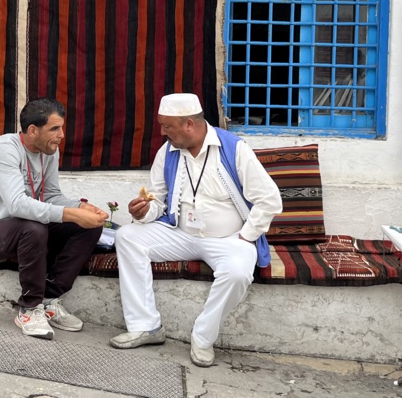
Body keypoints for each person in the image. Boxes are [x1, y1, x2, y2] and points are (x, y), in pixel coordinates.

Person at [109, 93, 282, 367]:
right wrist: (144, 212)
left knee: (237, 273)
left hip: (229, 239)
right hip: (180, 232)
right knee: (127, 237)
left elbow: (270, 199)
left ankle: (203, 338)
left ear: (189, 124)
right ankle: (146, 326)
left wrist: (246, 236)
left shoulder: (233, 148)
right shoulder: (166, 151)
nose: (163, 133)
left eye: (167, 126)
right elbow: (157, 200)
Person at [0, 97, 108, 340]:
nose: (61, 135)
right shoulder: (6, 149)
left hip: (29, 228)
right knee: (34, 228)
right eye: (54, 128)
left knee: (87, 227)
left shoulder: (49, 150)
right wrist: (70, 213)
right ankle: (29, 308)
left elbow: (52, 195)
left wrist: (82, 208)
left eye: (61, 127)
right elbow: (16, 204)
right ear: (32, 130)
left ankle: (48, 299)